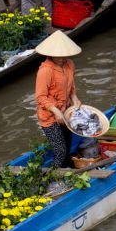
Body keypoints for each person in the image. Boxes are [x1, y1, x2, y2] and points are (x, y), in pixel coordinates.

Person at [34, 31, 84, 168]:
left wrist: (75, 98)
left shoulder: (70, 64)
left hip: (65, 110)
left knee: (67, 144)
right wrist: (56, 111)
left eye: (64, 55)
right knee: (60, 150)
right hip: (49, 116)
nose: (62, 58)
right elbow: (40, 97)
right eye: (58, 56)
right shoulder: (45, 71)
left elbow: (71, 86)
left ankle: (66, 170)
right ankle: (53, 177)